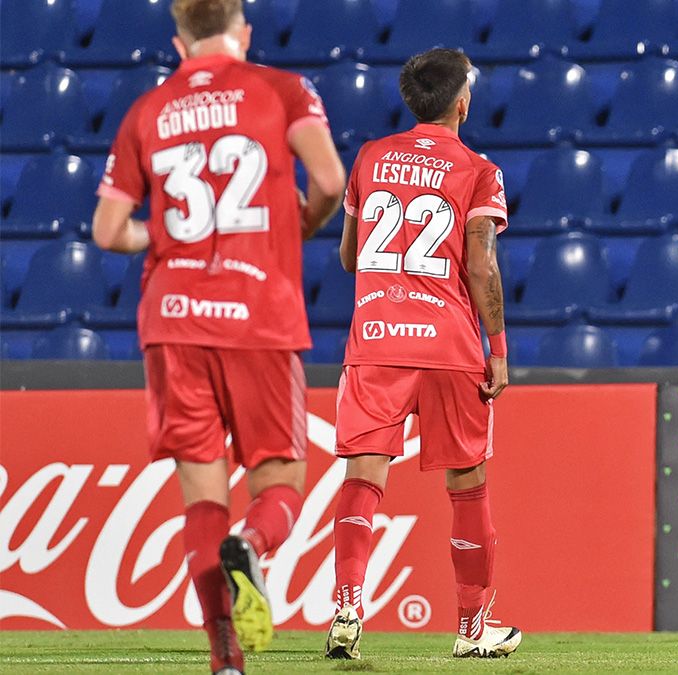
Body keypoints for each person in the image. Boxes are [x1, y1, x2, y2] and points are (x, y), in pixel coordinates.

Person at [91, 0, 345, 672]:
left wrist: (165, 235)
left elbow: (109, 230)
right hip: (257, 307)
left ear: (179, 43)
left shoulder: (147, 110)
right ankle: (253, 549)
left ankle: (225, 660)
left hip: (171, 318)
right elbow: (329, 180)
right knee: (283, 477)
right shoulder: (282, 88)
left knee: (202, 497)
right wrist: (303, 222)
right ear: (244, 32)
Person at [325, 47, 520, 660]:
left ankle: (347, 609)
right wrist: (499, 347)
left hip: (376, 339)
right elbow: (481, 262)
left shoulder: (370, 157)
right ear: (463, 101)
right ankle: (470, 629)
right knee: (468, 486)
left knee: (363, 476)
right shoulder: (479, 170)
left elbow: (351, 257)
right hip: (449, 344)